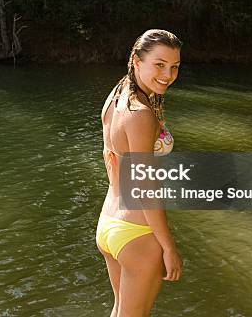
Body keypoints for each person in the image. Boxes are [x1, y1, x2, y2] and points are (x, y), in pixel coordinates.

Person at [95, 29, 183, 317]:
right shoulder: (142, 115)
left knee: (120, 311)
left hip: (109, 224)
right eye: (159, 64)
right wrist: (168, 246)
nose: (168, 74)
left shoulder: (117, 96)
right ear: (136, 59)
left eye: (174, 67)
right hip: (137, 233)